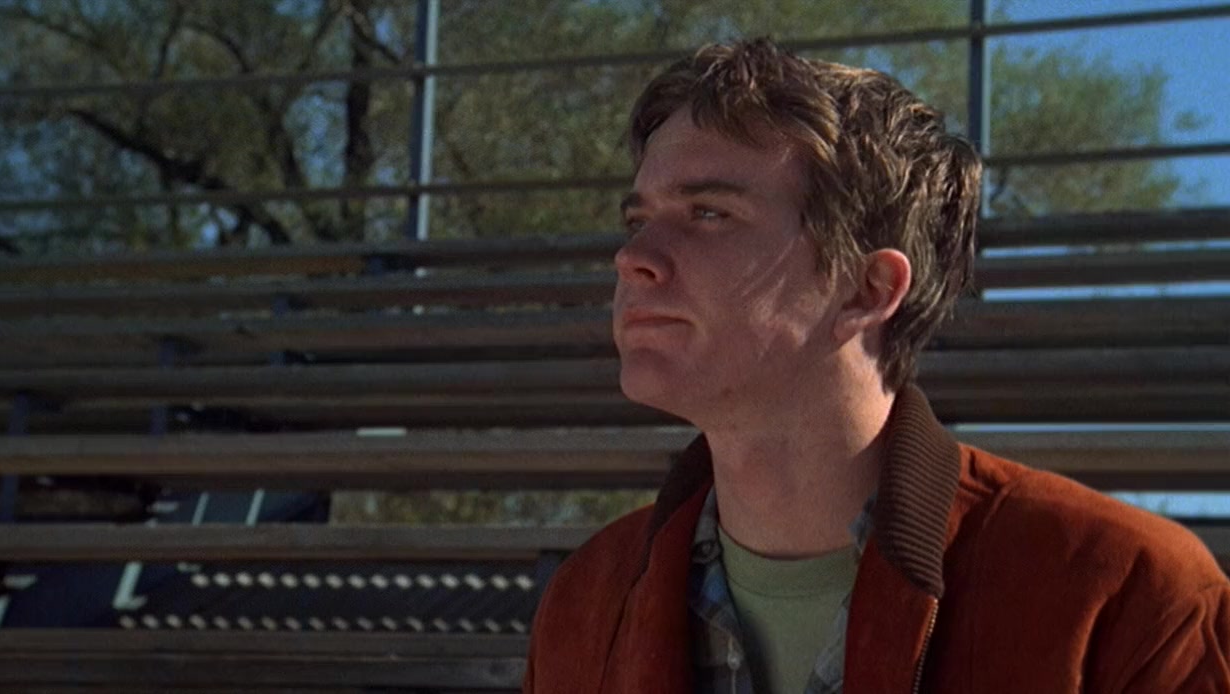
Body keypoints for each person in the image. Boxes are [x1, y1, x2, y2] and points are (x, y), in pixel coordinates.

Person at [522, 38, 1230, 693]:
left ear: (868, 290)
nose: (634, 258)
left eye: (708, 213)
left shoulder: (1123, 596)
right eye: (638, 220)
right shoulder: (589, 600)